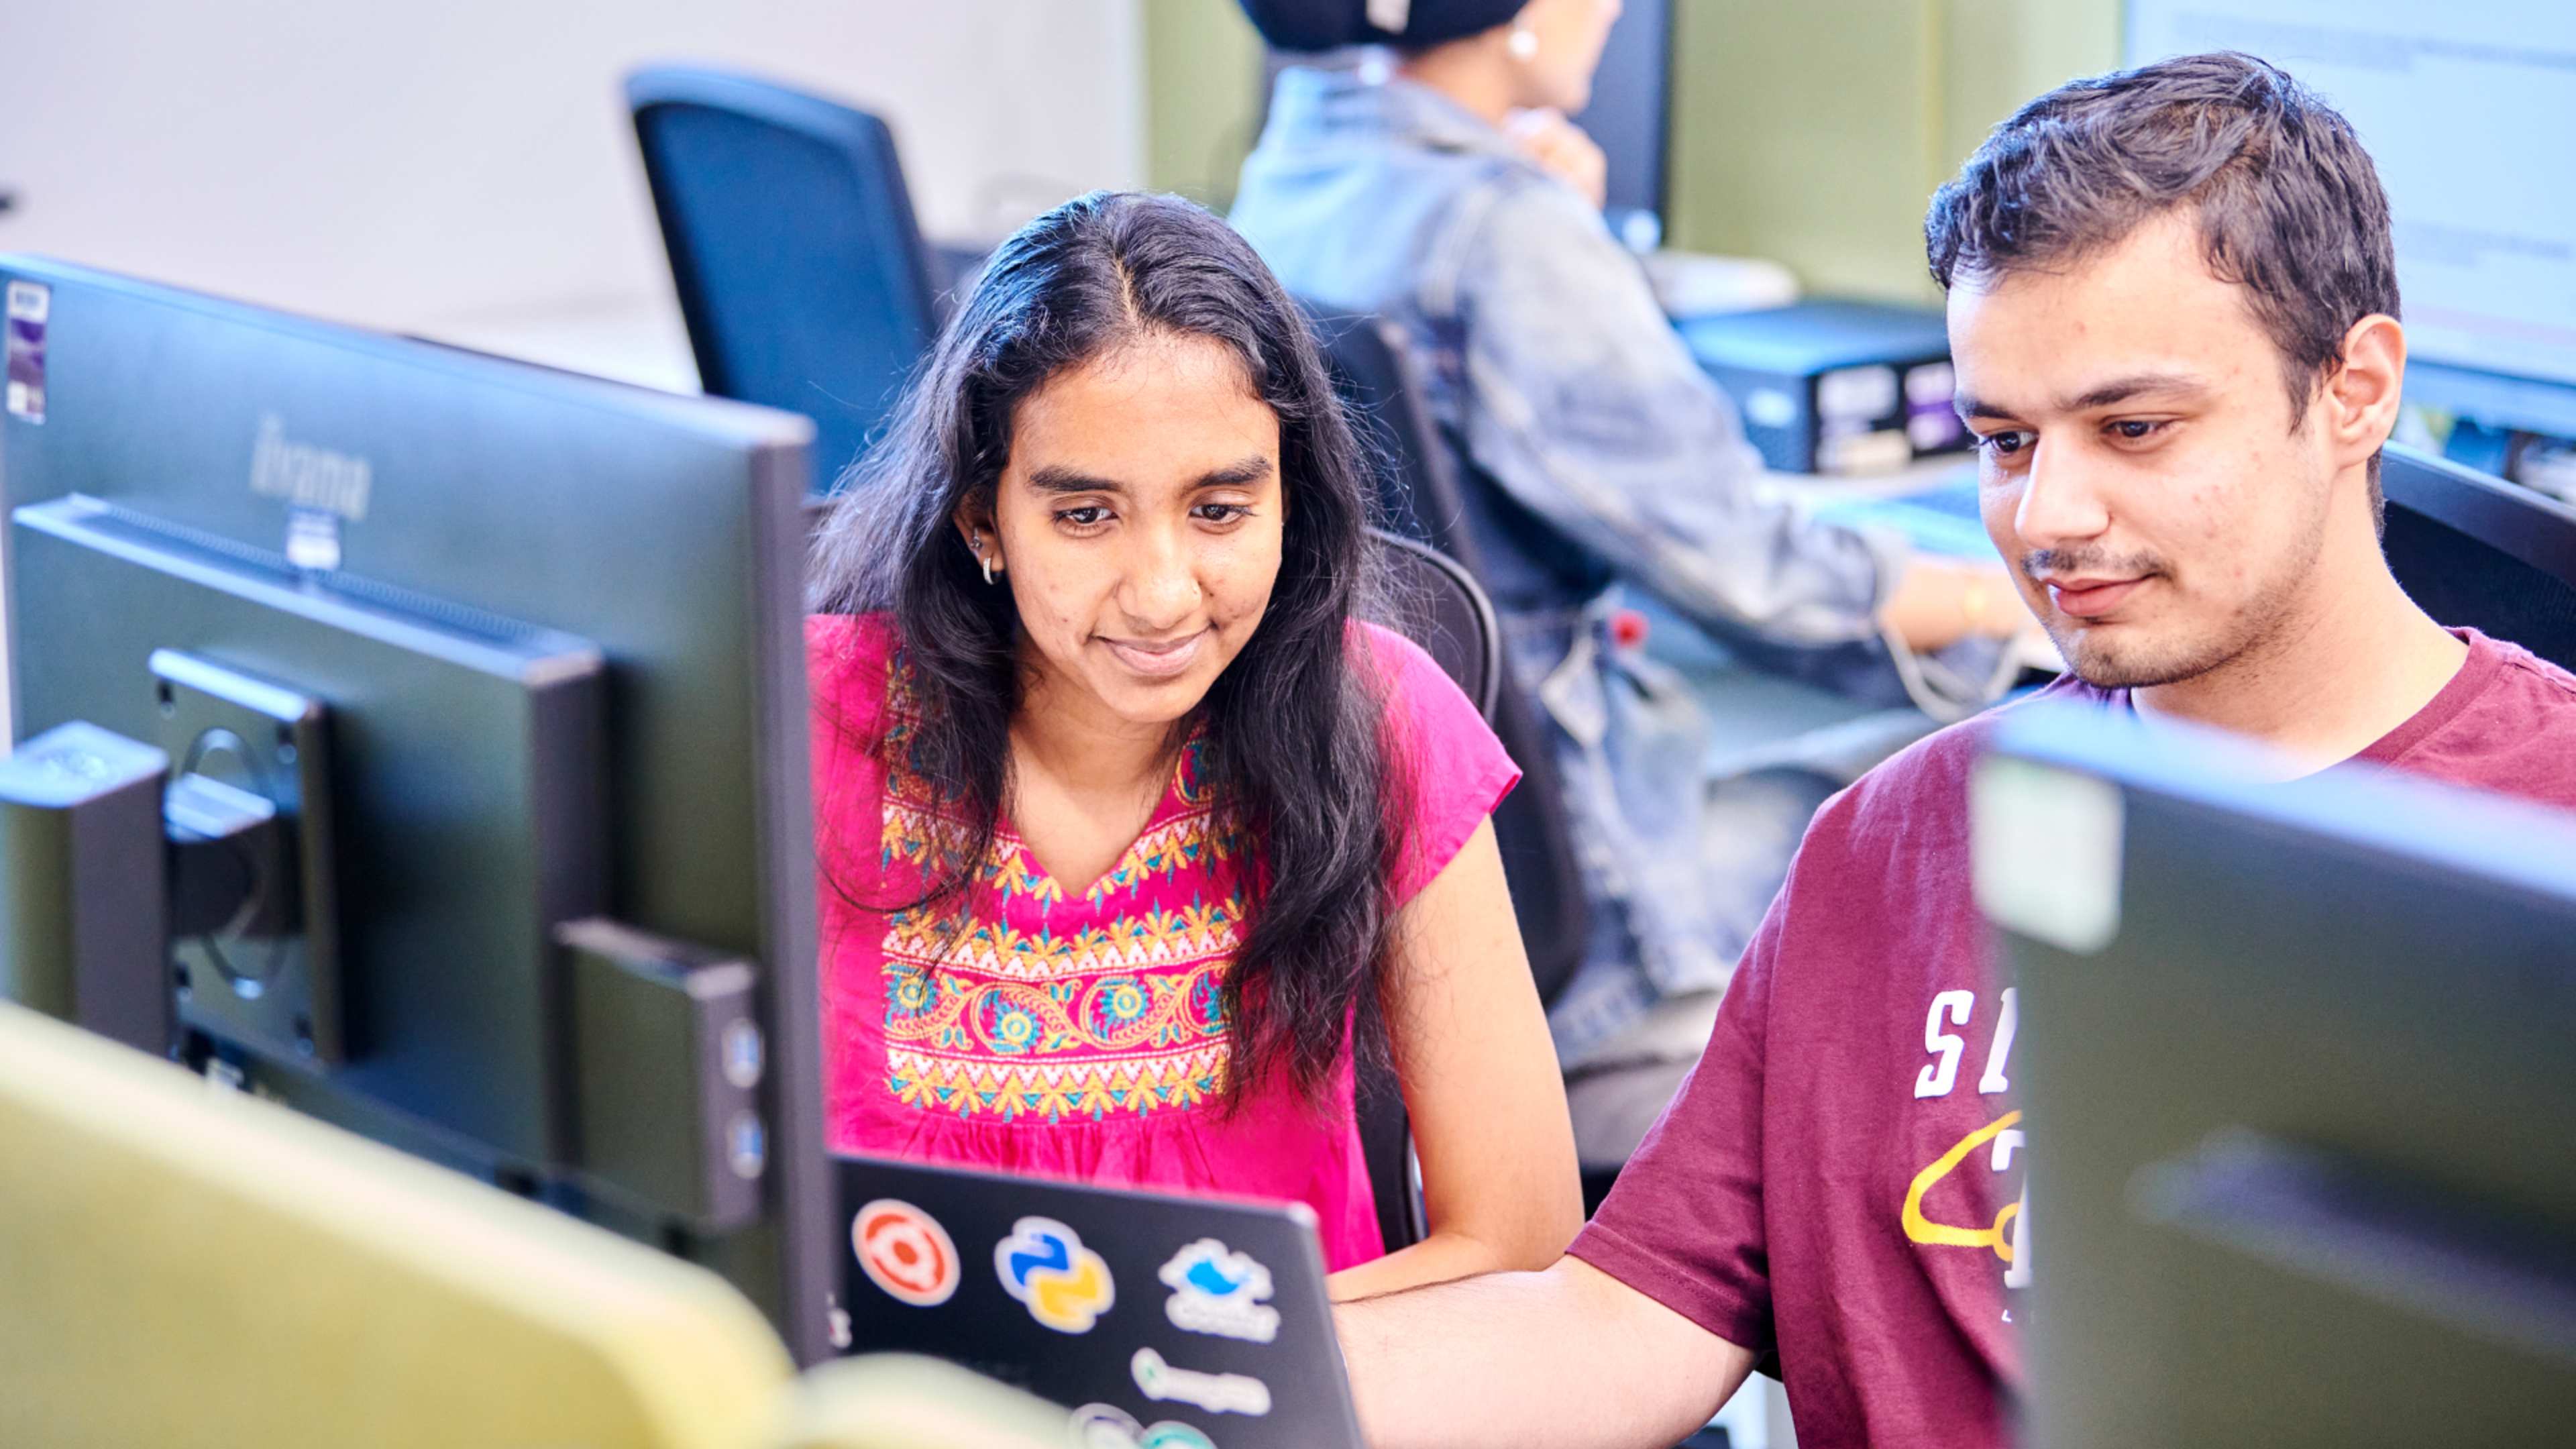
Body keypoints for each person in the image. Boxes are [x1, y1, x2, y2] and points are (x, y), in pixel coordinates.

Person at [1326, 51, 2576, 1447]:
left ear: (2354, 390)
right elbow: (1623, 1323)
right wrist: (1193, 1381)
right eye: (2002, 440)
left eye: (2135, 428)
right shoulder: (1894, 840)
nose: (2046, 516)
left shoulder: (2548, 823)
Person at [1225, 0, 2031, 1173]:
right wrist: (1990, 599)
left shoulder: (1290, 173)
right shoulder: (1503, 232)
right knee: (1998, 771)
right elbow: (1751, 570)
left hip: (1405, 845)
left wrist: (1569, 229)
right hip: (1596, 902)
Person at [804, 191, 1582, 1298]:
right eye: (1085, 517)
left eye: (1219, 511)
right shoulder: (806, 720)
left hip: (1251, 1399)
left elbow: (1520, 1232)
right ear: (985, 519)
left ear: (1288, 503)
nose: (1163, 597)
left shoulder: (1384, 719)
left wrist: (1145, 1353)